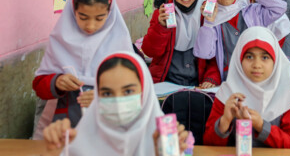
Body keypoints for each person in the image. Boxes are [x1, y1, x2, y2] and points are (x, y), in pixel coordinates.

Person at [32, 0, 134, 138]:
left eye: (100, 18)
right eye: (83, 17)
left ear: (110, 12)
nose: (90, 26)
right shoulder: (61, 38)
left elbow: (134, 92)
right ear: (73, 11)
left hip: (107, 131)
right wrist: (57, 82)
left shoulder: (120, 43)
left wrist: (107, 96)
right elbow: (39, 86)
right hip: (64, 128)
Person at [43, 52, 189, 155]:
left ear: (146, 92)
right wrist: (57, 150)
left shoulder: (165, 140)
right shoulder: (80, 141)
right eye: (107, 93)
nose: (118, 101)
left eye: (128, 92)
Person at [203, 26, 290, 148]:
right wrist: (224, 122)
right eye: (249, 57)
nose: (257, 65)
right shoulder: (228, 93)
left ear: (275, 62)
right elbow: (208, 143)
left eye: (265, 57)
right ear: (239, 60)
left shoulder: (287, 95)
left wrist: (261, 126)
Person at [193, 0, 287, 81]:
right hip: (230, 77)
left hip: (255, 73)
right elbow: (204, 53)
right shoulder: (213, 20)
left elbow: (280, 7)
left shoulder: (253, 12)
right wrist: (208, 23)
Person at [142, 0, 221, 88]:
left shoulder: (208, 14)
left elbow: (216, 56)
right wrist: (161, 27)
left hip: (198, 84)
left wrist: (211, 79)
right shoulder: (163, 14)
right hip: (167, 82)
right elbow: (150, 52)